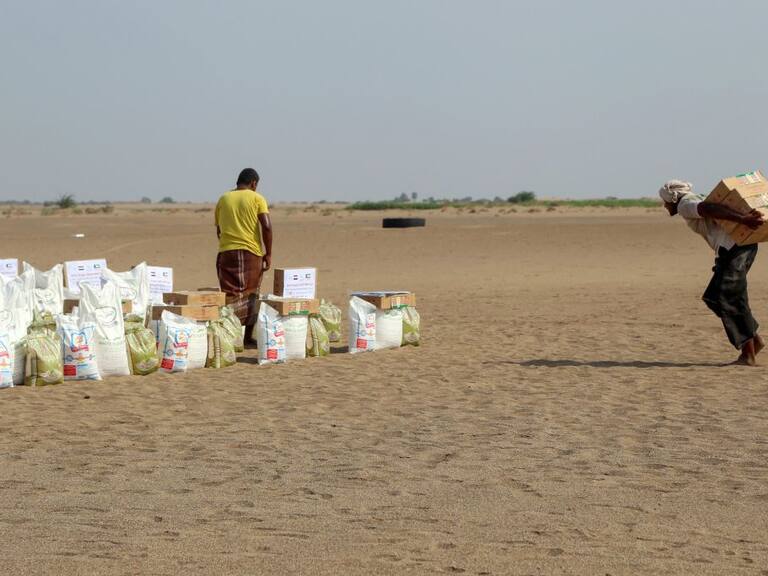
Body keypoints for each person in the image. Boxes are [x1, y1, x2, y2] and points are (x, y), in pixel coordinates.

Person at [659, 179, 765, 365]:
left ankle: (748, 354)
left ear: (673, 198)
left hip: (735, 250)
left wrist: (743, 219)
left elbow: (707, 208)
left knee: (728, 297)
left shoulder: (684, 204)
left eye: (666, 201)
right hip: (735, 250)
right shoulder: (692, 199)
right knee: (714, 297)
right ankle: (753, 338)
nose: (665, 205)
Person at [215, 168, 272, 345]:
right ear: (254, 183)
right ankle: (247, 337)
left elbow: (219, 229)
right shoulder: (257, 198)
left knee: (229, 294)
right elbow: (267, 226)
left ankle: (229, 335)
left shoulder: (223, 198)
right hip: (250, 253)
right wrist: (268, 253)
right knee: (251, 294)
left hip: (226, 252)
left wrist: (228, 244)